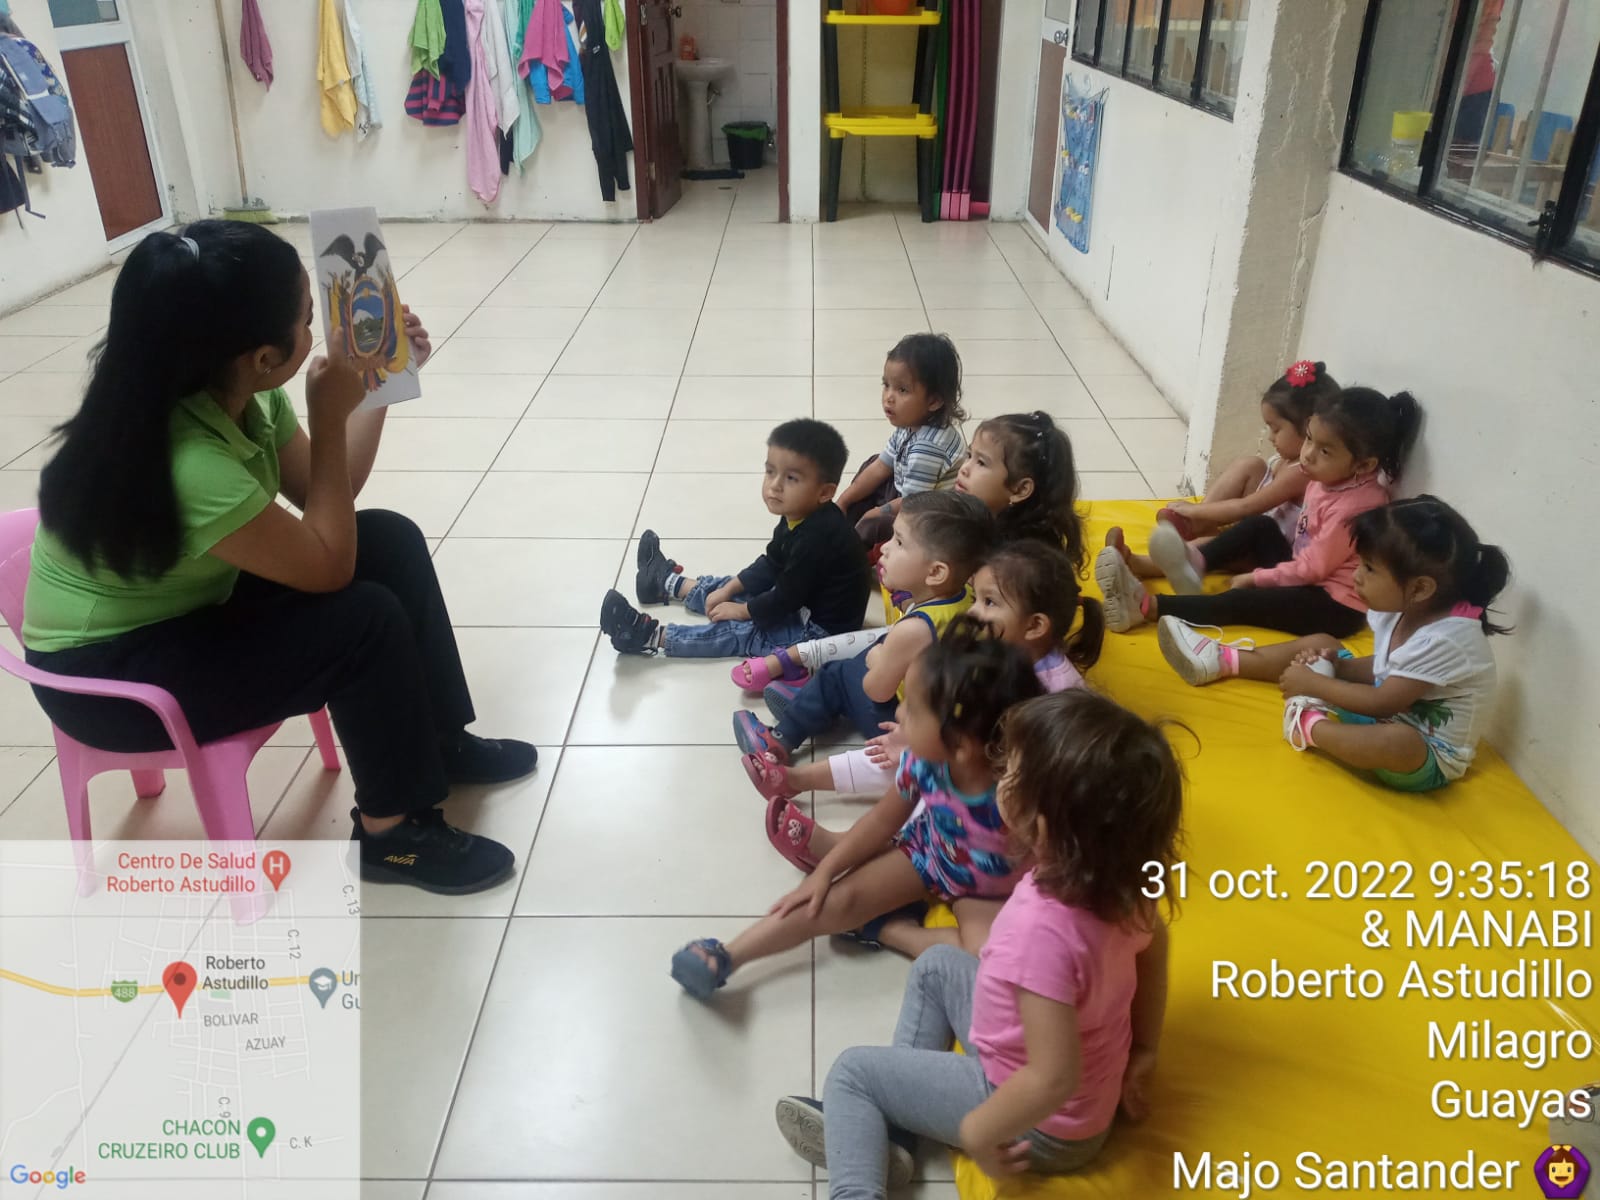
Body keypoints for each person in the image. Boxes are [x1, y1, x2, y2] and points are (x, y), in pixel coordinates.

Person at [21, 221, 535, 895]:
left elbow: (331, 492)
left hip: (181, 610)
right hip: (110, 680)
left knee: (387, 541)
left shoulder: (234, 393)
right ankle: (390, 838)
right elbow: (329, 567)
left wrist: (382, 381)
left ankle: (439, 744)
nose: (317, 330)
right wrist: (329, 414)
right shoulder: (186, 461)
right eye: (306, 318)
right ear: (262, 357)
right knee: (362, 620)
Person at [771, 689, 1184, 1197]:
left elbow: (1053, 1076)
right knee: (938, 966)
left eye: (1011, 774)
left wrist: (981, 1130)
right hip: (1061, 1086)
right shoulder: (1125, 888)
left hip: (1036, 1119)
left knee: (852, 1074)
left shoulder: (1042, 933)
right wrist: (1144, 1049)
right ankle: (896, 1134)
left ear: (1042, 824)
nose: (999, 774)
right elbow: (1156, 949)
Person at [669, 623, 1043, 1000]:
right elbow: (881, 820)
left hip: (985, 893)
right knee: (828, 900)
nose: (899, 713)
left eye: (912, 710)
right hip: (926, 855)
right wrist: (825, 873)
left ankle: (890, 930)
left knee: (986, 959)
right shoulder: (922, 762)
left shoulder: (1017, 797)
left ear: (960, 744)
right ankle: (728, 956)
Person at [1159, 496, 1509, 792]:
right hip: (1379, 716)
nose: (1356, 576)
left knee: (1400, 742)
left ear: (1419, 588)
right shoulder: (1402, 607)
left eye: (1369, 568)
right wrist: (1339, 666)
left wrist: (1315, 684)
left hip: (1424, 755)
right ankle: (1221, 659)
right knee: (1324, 642)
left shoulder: (1448, 639)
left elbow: (1384, 702)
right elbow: (1386, 666)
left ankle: (1311, 728)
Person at [729, 409, 1081, 695]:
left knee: (885, 646)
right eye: (970, 455)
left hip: (958, 640)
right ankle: (795, 663)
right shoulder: (976, 517)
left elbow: (978, 617)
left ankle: (801, 669)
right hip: (940, 613)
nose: (964, 467)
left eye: (981, 463)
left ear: (1020, 489)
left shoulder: (1015, 560)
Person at [744, 541, 1102, 810]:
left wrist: (920, 744)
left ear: (1035, 626)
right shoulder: (995, 651)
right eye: (977, 598)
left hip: (997, 793)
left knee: (907, 760)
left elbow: (1010, 767)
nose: (973, 613)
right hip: (970, 757)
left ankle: (797, 776)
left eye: (989, 603)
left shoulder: (1052, 696)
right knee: (899, 742)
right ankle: (795, 771)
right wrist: (917, 731)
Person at [1096, 386, 1420, 639]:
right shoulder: (1329, 476)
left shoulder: (1357, 508)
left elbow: (1312, 570)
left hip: (1331, 605)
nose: (1307, 455)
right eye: (1309, 439)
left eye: (1324, 450)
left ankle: (1145, 607)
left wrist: (1256, 579)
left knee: (1239, 601)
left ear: (1364, 465)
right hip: (1304, 574)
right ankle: (1195, 563)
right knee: (1260, 526)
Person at [731, 490, 989, 762]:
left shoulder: (913, 630)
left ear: (936, 572)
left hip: (902, 725)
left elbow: (876, 690)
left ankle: (779, 741)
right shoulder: (968, 598)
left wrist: (877, 658)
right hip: (943, 723)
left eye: (899, 542)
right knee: (876, 650)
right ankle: (815, 704)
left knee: (838, 673)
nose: (885, 547)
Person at [598, 419, 871, 659]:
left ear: (824, 493)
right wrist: (729, 590)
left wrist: (743, 611)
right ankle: (666, 583)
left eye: (791, 478)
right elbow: (772, 563)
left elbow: (785, 598)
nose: (774, 485)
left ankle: (647, 636)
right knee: (737, 586)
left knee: (742, 632)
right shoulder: (800, 513)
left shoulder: (818, 538)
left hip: (818, 633)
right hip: (800, 599)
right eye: (770, 471)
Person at [1106, 360, 1337, 574]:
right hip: (1258, 527)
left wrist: (1193, 509)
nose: (1270, 437)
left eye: (1276, 429)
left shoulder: (1302, 472)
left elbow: (1246, 508)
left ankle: (1140, 564)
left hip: (1269, 550)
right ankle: (1194, 525)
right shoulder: (1288, 459)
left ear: (1309, 428)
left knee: (1225, 542)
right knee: (1251, 465)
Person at [831, 333, 968, 547]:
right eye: (886, 385)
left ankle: (849, 551)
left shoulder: (927, 448)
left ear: (934, 401)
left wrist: (876, 513)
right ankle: (846, 520)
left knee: (874, 525)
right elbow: (880, 467)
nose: (889, 397)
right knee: (873, 463)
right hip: (908, 491)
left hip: (928, 516)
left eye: (902, 390)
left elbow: (913, 503)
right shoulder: (909, 424)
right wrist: (844, 500)